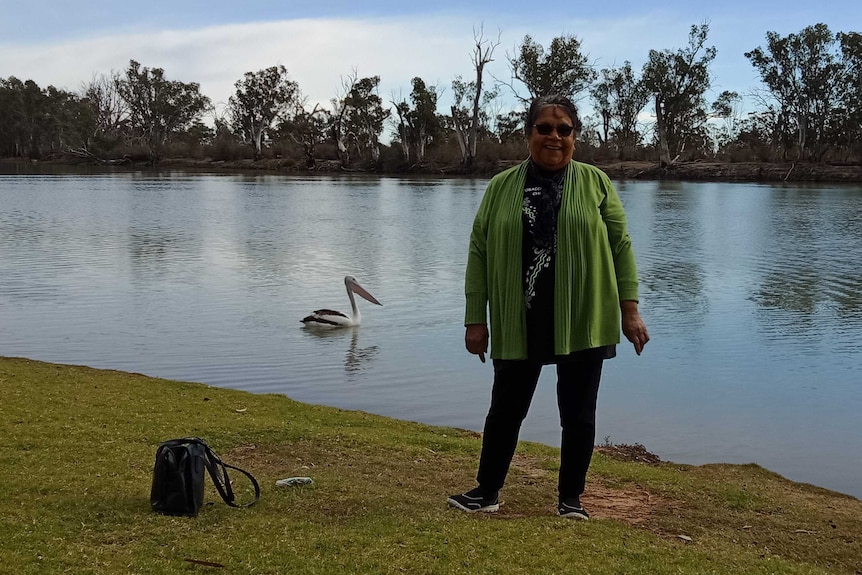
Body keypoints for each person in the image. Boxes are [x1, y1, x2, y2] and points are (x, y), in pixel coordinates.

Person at [447, 95, 649, 520]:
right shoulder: (501, 187)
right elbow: (478, 252)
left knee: (578, 415)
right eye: (545, 128)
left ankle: (570, 499)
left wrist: (630, 310)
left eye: (564, 129)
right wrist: (474, 319)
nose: (554, 137)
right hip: (519, 319)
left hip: (583, 319)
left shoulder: (596, 183)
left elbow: (621, 246)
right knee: (505, 411)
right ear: (529, 135)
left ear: (575, 136)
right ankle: (486, 492)